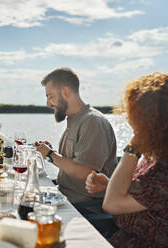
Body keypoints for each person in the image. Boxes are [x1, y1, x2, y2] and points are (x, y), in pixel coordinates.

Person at [102, 73, 168, 247]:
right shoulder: (158, 151)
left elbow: (112, 203)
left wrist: (134, 145)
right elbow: (146, 196)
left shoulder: (167, 167)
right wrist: (108, 184)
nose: (128, 118)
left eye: (132, 112)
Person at [35, 68, 117, 211]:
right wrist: (49, 154)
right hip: (63, 196)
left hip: (84, 207)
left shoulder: (92, 122)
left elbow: (85, 173)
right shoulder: (75, 119)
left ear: (65, 92)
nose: (48, 103)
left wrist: (50, 155)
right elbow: (72, 163)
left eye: (50, 96)